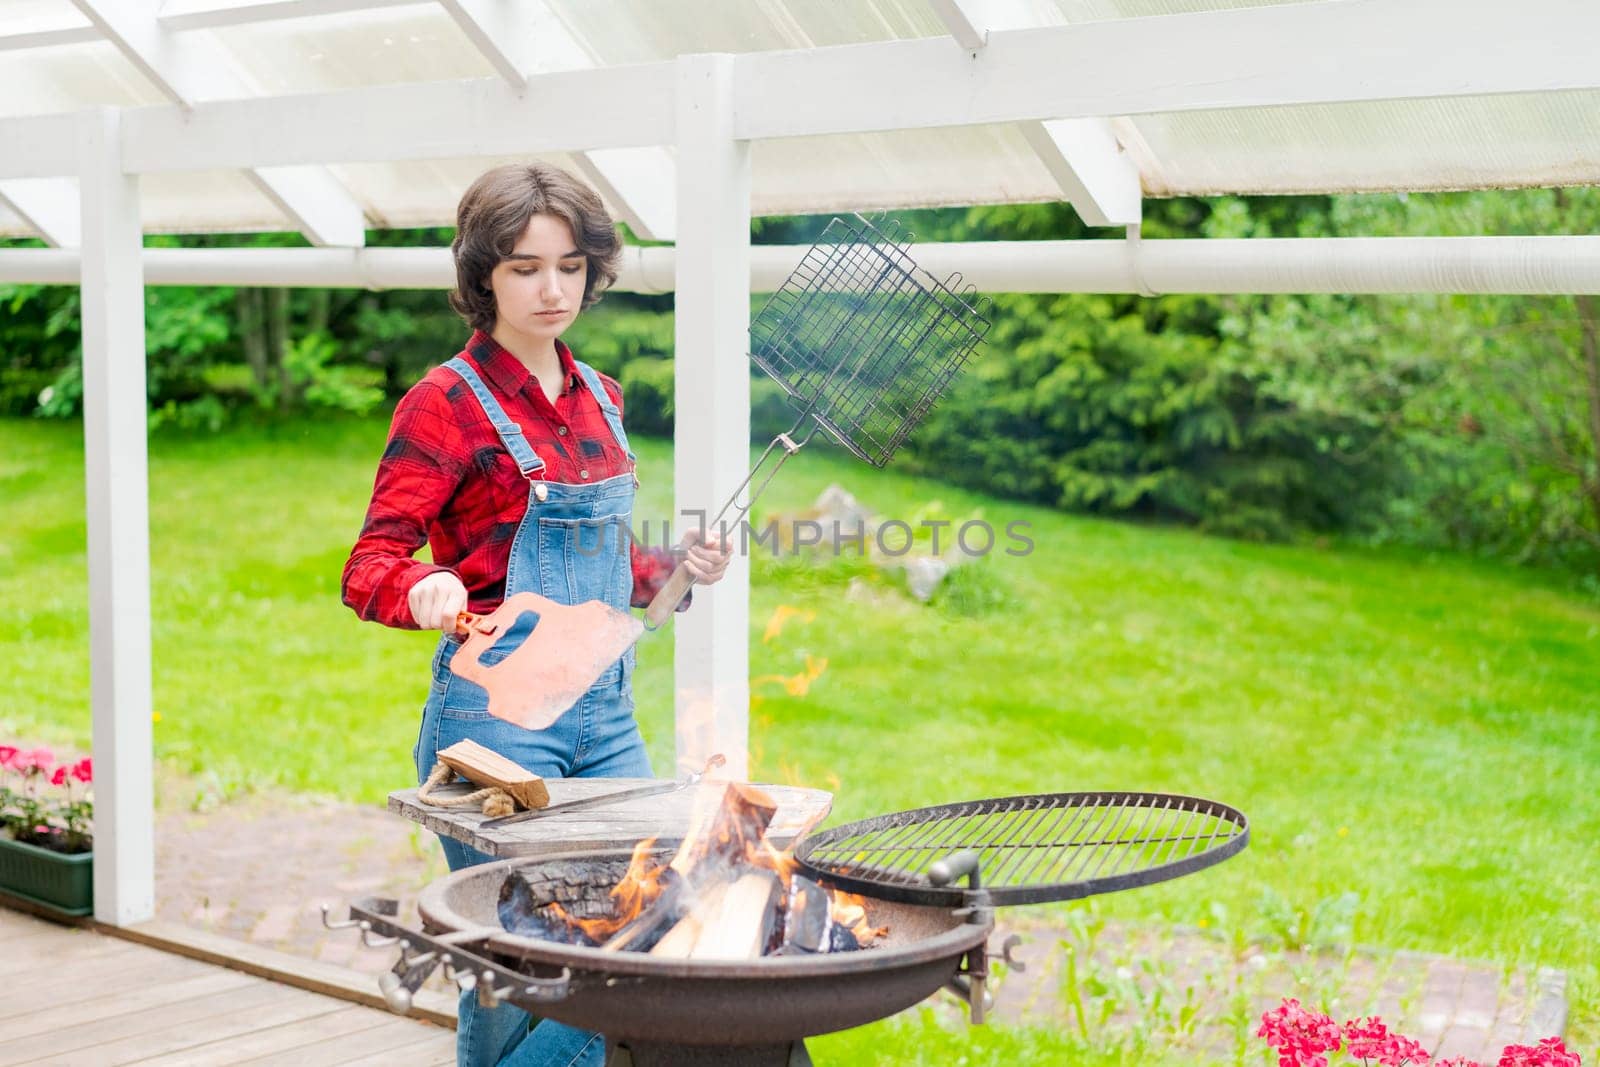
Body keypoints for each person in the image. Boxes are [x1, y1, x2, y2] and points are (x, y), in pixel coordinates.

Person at [341, 162, 731, 1067]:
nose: (552, 288)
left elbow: (607, 570)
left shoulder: (600, 394)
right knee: (553, 956)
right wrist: (422, 589)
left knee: (574, 938)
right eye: (524, 267)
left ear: (594, 267)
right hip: (496, 738)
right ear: (484, 278)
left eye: (569, 264)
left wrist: (676, 567)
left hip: (606, 721)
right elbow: (370, 567)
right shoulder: (442, 404)